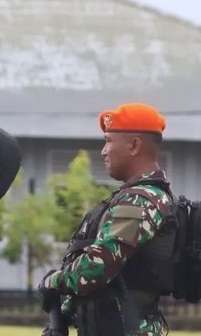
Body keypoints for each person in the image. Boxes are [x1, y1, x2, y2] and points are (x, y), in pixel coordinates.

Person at [39, 103, 176, 336]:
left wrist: (53, 282)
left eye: (109, 141)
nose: (103, 151)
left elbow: (97, 266)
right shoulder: (132, 197)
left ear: (134, 145)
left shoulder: (141, 201)